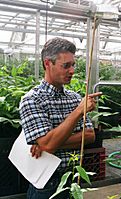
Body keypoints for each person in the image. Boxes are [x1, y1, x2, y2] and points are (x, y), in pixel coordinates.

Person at [19, 37, 101, 199]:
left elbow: (90, 136)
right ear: (48, 64)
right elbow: (48, 144)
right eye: (66, 66)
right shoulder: (32, 99)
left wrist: (48, 143)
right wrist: (78, 112)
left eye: (73, 65)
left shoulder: (75, 97)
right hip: (46, 185)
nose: (72, 71)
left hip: (74, 178)